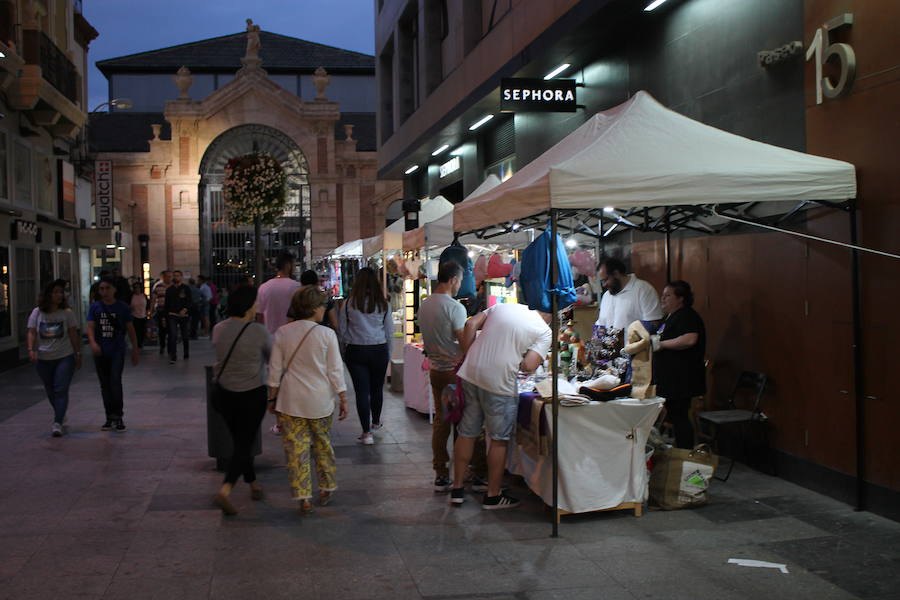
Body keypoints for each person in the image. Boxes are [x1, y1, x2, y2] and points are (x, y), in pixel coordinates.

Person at [450, 302, 552, 509]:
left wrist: (470, 355)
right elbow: (529, 365)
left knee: (467, 432)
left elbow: (470, 325)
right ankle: (493, 495)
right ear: (551, 313)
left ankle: (457, 489)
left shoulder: (504, 307)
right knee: (498, 439)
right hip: (499, 383)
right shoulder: (544, 331)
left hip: (471, 374)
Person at [268, 286, 348, 514]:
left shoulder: (283, 332)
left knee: (296, 450)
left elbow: (274, 370)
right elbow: (335, 370)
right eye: (323, 306)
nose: (325, 310)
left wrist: (271, 397)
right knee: (322, 445)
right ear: (313, 308)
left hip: (290, 402)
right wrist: (343, 397)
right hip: (320, 402)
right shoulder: (327, 334)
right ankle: (326, 487)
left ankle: (303, 497)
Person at [418, 261, 488, 492]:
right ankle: (473, 472)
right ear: (454, 280)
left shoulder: (424, 305)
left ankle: (441, 473)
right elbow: (464, 340)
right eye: (460, 281)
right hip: (455, 372)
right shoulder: (454, 307)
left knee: (441, 422)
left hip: (436, 370)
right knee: (469, 422)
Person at [210, 285, 272, 516]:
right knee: (244, 443)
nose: (257, 306)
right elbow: (271, 358)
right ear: (248, 306)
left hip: (223, 394)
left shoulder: (218, 329)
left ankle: (254, 484)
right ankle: (225, 490)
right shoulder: (259, 331)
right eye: (255, 302)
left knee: (240, 441)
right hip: (252, 394)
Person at [338, 267, 393, 445]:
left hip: (356, 350)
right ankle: (376, 422)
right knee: (377, 389)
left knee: (362, 392)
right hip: (379, 349)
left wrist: (345, 349)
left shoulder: (348, 303)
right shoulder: (384, 303)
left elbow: (343, 331)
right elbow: (389, 331)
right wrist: (388, 353)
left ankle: (366, 432)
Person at [653, 280, 706, 449]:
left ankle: (686, 455)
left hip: (682, 379)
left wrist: (661, 344)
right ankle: (680, 452)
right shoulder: (669, 317)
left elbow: (690, 339)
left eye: (668, 295)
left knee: (680, 417)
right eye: (663, 295)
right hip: (670, 379)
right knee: (675, 416)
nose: (663, 298)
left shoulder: (687, 315)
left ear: (681, 298)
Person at [27, 279, 82, 437]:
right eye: (56, 292)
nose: (59, 295)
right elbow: (31, 331)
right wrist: (31, 349)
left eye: (61, 292)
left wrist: (77, 353)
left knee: (60, 389)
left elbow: (73, 333)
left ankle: (57, 422)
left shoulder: (67, 313)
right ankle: (60, 412)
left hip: (64, 356)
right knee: (50, 390)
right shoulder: (37, 312)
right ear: (48, 295)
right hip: (43, 358)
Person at [86, 277, 139, 432]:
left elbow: (130, 329)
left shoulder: (122, 307)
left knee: (115, 382)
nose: (104, 292)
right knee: (105, 385)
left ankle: (118, 416)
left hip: (117, 350)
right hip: (100, 351)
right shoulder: (95, 307)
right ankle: (109, 417)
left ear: (114, 289)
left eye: (107, 288)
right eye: (101, 289)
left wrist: (134, 349)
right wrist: (93, 343)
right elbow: (90, 327)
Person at [595, 257, 662, 331]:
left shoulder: (643, 289)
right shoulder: (606, 296)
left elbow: (653, 323)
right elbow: (601, 324)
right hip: (608, 342)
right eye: (602, 281)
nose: (604, 285)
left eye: (605, 280)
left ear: (616, 274)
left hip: (633, 342)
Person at [256, 251, 301, 335]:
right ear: (288, 265)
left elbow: (259, 316)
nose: (295, 268)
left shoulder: (264, 287)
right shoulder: (297, 287)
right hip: (292, 336)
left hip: (270, 338)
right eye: (294, 265)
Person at [164, 270, 192, 364]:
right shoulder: (169, 290)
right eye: (174, 276)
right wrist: (165, 316)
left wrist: (185, 309)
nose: (176, 277)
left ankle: (186, 352)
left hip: (184, 315)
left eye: (178, 276)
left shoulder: (186, 288)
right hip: (172, 314)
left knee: (185, 335)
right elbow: (166, 304)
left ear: (181, 277)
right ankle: (173, 355)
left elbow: (189, 301)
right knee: (173, 335)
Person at [152, 270, 173, 355]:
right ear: (163, 277)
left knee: (171, 329)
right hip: (161, 310)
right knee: (162, 329)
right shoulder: (158, 286)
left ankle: (170, 347)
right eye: (167, 276)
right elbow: (153, 298)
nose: (169, 278)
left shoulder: (173, 286)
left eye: (170, 276)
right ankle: (162, 345)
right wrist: (151, 309)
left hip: (171, 311)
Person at [130, 281, 149, 348]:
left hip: (143, 316)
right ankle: (137, 343)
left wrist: (148, 313)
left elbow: (148, 305)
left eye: (138, 288)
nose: (137, 289)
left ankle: (141, 343)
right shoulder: (131, 296)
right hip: (134, 316)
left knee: (142, 331)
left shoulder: (144, 296)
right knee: (136, 331)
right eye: (135, 288)